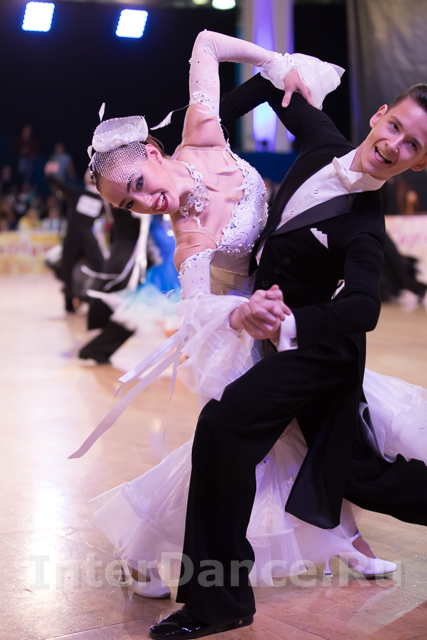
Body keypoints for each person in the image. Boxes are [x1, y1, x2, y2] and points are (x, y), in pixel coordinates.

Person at [70, 30, 427, 620]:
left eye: (139, 187)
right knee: (246, 444)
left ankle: (335, 544)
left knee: (324, 450)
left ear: (153, 154)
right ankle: (188, 572)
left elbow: (210, 47)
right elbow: (196, 306)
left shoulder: (207, 140)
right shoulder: (194, 231)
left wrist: (275, 64)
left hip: (299, 330)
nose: (146, 204)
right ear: (378, 117)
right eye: (130, 205)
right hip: (245, 331)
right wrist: (241, 313)